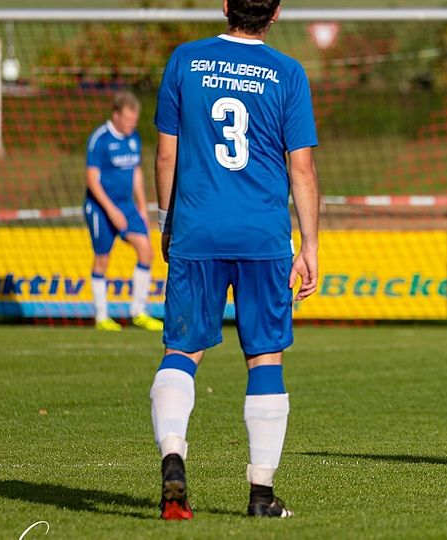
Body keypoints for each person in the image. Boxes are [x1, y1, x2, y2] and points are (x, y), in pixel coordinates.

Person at [150, 0, 319, 520]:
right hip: (262, 237)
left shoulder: (185, 60)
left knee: (182, 351)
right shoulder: (288, 73)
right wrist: (310, 245)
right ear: (276, 13)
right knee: (265, 356)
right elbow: (302, 169)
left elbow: (165, 154)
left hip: (197, 229)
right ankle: (261, 495)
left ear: (225, 5)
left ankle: (173, 455)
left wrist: (167, 222)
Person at [83, 91, 164, 332]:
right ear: (116, 115)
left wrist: (142, 206)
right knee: (102, 259)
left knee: (146, 251)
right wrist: (111, 211)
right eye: (128, 120)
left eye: (134, 120)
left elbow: (136, 172)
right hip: (100, 207)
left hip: (126, 206)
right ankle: (101, 317)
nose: (131, 125)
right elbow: (92, 180)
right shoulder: (100, 139)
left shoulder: (133, 138)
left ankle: (138, 312)